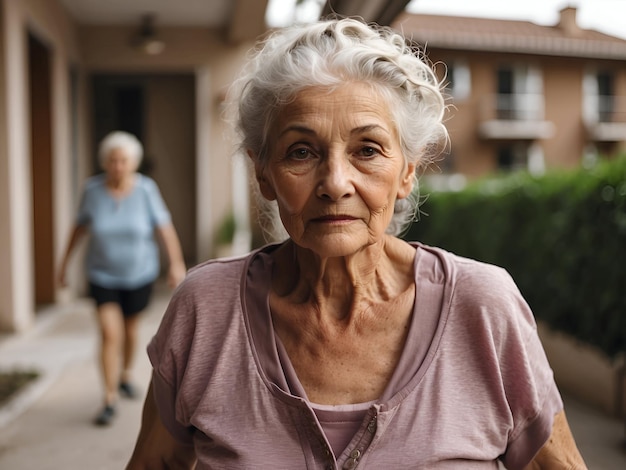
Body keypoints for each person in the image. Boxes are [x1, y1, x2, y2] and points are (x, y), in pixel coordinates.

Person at [127, 18, 586, 469]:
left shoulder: (484, 307)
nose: (335, 183)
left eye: (367, 149)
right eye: (301, 152)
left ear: (407, 171)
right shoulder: (206, 310)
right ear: (263, 173)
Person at [58, 130, 186, 426]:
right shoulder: (92, 191)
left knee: (130, 332)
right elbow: (78, 229)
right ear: (105, 162)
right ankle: (109, 398)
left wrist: (176, 264)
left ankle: (126, 374)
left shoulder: (146, 190)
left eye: (123, 160)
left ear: (133, 163)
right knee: (109, 333)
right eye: (113, 160)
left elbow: (164, 229)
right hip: (101, 274)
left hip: (139, 273)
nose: (117, 166)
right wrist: (63, 264)